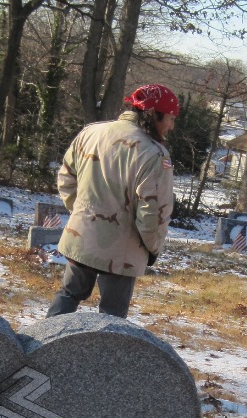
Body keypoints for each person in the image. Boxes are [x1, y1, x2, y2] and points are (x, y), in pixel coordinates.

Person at [46, 84, 179, 319]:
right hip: (123, 250)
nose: (171, 126)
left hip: (82, 237)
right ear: (153, 114)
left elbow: (66, 180)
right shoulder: (154, 155)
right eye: (169, 118)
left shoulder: (91, 132)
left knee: (68, 295)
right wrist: (153, 247)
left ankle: (41, 349)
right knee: (112, 316)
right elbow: (153, 214)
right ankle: (104, 357)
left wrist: (85, 215)